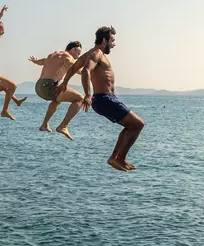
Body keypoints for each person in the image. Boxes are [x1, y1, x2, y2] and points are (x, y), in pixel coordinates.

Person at [57, 26, 145, 171]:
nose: (113, 44)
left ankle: (115, 158)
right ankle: (119, 158)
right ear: (104, 40)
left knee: (131, 126)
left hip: (107, 98)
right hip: (104, 98)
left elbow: (73, 68)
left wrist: (65, 82)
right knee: (138, 124)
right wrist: (86, 94)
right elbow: (85, 70)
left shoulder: (89, 53)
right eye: (112, 40)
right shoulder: (97, 53)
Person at [29, 41, 84, 140]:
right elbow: (73, 66)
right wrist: (87, 72)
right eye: (78, 53)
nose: (78, 56)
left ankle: (44, 124)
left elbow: (42, 61)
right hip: (48, 86)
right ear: (72, 50)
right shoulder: (67, 56)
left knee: (57, 100)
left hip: (38, 87)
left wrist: (35, 61)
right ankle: (63, 126)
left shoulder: (53, 55)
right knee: (80, 99)